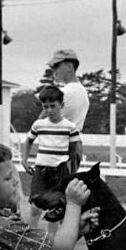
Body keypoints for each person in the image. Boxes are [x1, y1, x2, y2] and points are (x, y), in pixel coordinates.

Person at [20, 86, 80, 230]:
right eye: (45, 106)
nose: (49, 110)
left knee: (55, 211)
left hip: (60, 172)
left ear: (62, 105)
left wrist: (71, 173)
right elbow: (28, 141)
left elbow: (74, 153)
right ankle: (31, 241)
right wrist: (24, 160)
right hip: (41, 171)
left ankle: (54, 246)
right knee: (35, 208)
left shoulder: (70, 127)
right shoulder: (38, 124)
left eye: (53, 106)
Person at [47, 49, 89, 173]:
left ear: (70, 66)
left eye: (56, 66)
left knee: (46, 190)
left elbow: (42, 121)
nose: (53, 70)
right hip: (75, 144)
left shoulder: (63, 93)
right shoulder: (82, 91)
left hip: (59, 146)